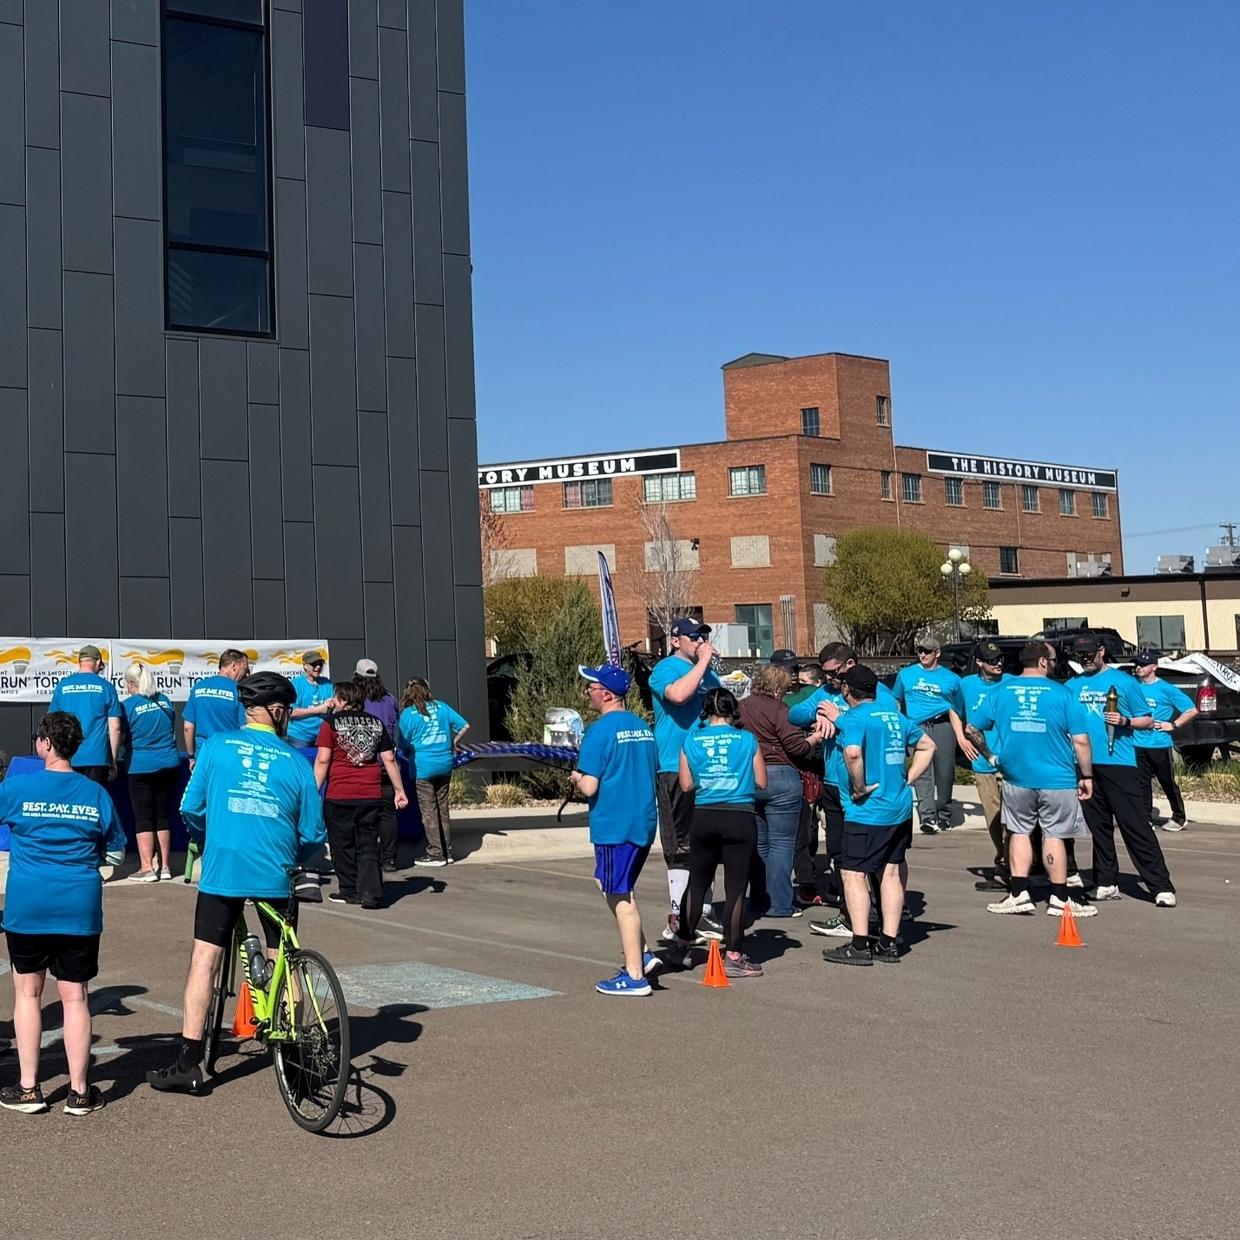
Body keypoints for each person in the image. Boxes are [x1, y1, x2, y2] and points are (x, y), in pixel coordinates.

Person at [146, 672, 326, 1096]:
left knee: (204, 958)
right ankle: (295, 1060)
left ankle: (188, 1062)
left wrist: (208, 838)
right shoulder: (295, 762)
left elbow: (191, 808)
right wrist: (294, 855)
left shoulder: (216, 746)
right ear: (278, 712)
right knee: (284, 959)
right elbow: (314, 834)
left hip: (224, 867)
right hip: (276, 870)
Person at [0, 712, 126, 1115]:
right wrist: (89, 867)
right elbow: (116, 852)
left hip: (28, 905)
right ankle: (80, 1092)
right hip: (78, 906)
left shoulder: (16, 788)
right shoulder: (95, 794)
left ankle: (28, 1088)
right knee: (75, 997)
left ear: (46, 744)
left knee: (28, 993)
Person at [966, 642, 1097, 919]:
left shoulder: (1000, 692)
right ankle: (1059, 897)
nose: (1054, 664)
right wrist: (1086, 775)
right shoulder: (1063, 693)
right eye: (1052, 660)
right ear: (1042, 662)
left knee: (1019, 832)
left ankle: (1018, 893)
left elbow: (972, 729)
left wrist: (991, 757)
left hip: (1017, 776)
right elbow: (1081, 740)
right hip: (1058, 778)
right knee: (1054, 835)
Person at [822, 667, 935, 966]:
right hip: (899, 807)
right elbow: (928, 745)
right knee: (891, 871)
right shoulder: (895, 717)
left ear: (847, 690)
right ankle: (889, 942)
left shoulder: (855, 719)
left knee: (853, 873)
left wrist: (859, 786)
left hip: (868, 811)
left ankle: (859, 945)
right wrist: (909, 777)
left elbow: (853, 753)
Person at [1065, 635, 1177, 907]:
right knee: (1099, 827)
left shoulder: (1125, 683)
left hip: (1119, 763)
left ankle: (1161, 886)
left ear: (1101, 651)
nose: (1085, 660)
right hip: (1085, 766)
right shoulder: (1071, 686)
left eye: (1089, 654)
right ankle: (1106, 882)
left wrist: (1125, 721)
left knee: (1134, 825)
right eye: (1080, 656)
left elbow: (1147, 719)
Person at [569, 664, 660, 997]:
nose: (588, 692)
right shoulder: (643, 728)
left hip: (614, 825)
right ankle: (643, 953)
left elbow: (590, 786)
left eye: (592, 688)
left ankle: (635, 976)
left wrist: (577, 778)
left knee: (620, 896)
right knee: (608, 882)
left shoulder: (600, 731)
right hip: (642, 821)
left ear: (606, 694)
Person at [676, 688, 767, 978]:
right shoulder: (747, 739)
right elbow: (762, 781)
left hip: (705, 815)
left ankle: (682, 945)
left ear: (706, 710)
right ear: (732, 709)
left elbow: (686, 785)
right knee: (736, 888)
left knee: (697, 883)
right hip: (739, 816)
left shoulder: (691, 739)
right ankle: (734, 955)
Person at [648, 618, 723, 940]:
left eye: (703, 636)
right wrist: (703, 662)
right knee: (680, 844)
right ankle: (680, 915)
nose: (701, 641)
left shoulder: (709, 674)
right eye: (694, 637)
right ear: (676, 640)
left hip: (708, 767)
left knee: (706, 842)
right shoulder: (665, 668)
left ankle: (702, 911)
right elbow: (677, 695)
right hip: (674, 766)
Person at [314, 680, 409, 909]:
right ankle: (370, 892)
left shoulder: (331, 723)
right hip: (370, 792)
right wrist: (399, 790)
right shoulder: (376, 723)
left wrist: (312, 791)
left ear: (344, 700)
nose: (333, 701)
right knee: (368, 843)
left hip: (340, 793)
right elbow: (389, 759)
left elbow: (323, 760)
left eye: (336, 697)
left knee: (342, 844)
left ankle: (349, 890)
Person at [738, 665, 819, 919]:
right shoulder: (780, 709)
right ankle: (780, 903)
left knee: (759, 844)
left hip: (750, 777)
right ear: (777, 688)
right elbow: (796, 747)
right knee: (782, 844)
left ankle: (758, 900)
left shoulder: (741, 707)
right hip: (781, 777)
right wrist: (815, 738)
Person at [949, 640, 1012, 892]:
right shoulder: (966, 685)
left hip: (1009, 760)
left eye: (1000, 659)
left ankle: (1014, 865)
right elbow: (954, 710)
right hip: (983, 762)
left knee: (1014, 819)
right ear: (979, 663)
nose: (998, 663)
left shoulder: (1011, 682)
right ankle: (1004, 861)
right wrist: (961, 738)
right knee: (994, 818)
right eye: (991, 660)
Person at [892, 636, 964, 834]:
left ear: (937, 653)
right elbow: (896, 699)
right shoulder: (905, 674)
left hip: (942, 725)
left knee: (945, 772)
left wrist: (961, 735)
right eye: (920, 651)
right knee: (922, 772)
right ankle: (927, 817)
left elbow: (957, 708)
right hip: (917, 727)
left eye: (927, 651)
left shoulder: (952, 679)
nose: (923, 655)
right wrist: (900, 724)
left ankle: (944, 814)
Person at [397, 678, 469, 867]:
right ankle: (447, 851)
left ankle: (436, 852)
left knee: (429, 810)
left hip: (423, 767)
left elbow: (402, 744)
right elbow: (464, 725)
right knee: (442, 806)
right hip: (445, 763)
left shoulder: (408, 714)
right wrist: (453, 742)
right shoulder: (442, 707)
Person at [121, 662, 181, 882]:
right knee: (163, 815)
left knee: (144, 818)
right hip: (169, 764)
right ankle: (165, 866)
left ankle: (147, 868)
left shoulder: (128, 706)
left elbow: (121, 733)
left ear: (131, 684)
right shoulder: (165, 701)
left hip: (141, 766)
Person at [1131, 648, 1198, 831]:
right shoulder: (1133, 686)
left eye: (1143, 664)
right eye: (1137, 664)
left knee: (1166, 781)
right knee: (1142, 782)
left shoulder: (1166, 688)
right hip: (1137, 742)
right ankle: (1146, 818)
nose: (1139, 667)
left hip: (1159, 743)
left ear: (1154, 667)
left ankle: (1179, 817)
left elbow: (1191, 710)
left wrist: (1173, 725)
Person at [47, 644, 122, 786]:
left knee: (69, 798)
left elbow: (51, 723)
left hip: (67, 757)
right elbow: (115, 727)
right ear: (98, 662)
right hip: (97, 758)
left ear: (79, 662)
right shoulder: (106, 687)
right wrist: (113, 759)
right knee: (94, 799)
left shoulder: (63, 686)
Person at [354, 659, 402, 870]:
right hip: (386, 765)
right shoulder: (390, 699)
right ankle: (389, 858)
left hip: (362, 765)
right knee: (387, 813)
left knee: (362, 814)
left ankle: (368, 856)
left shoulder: (355, 701)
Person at [182, 648, 250, 767]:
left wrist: (191, 757)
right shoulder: (238, 691)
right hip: (229, 755)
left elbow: (188, 727)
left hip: (203, 755)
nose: (246, 674)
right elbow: (245, 728)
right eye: (245, 669)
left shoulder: (198, 687)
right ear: (234, 666)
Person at [286, 650, 335, 748]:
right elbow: (291, 712)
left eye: (320, 664)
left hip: (321, 736)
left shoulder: (327, 683)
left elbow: (334, 705)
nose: (318, 667)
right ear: (304, 665)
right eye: (314, 664)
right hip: (299, 737)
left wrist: (332, 705)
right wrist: (318, 709)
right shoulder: (296, 684)